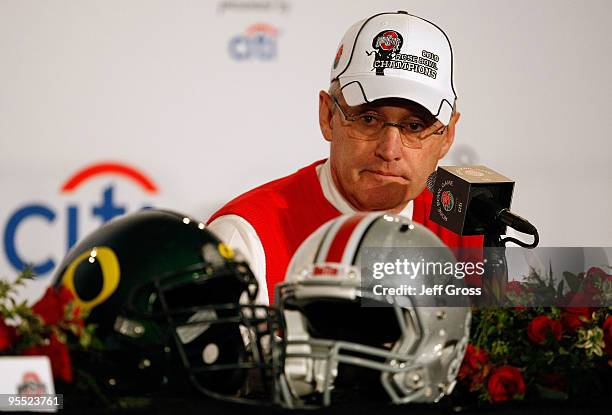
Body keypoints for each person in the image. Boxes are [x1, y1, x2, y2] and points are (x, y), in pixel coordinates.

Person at [207, 11, 482, 304]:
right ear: (327, 116)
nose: (389, 151)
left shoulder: (469, 228)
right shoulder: (246, 238)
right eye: (368, 119)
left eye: (414, 127)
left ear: (448, 136)